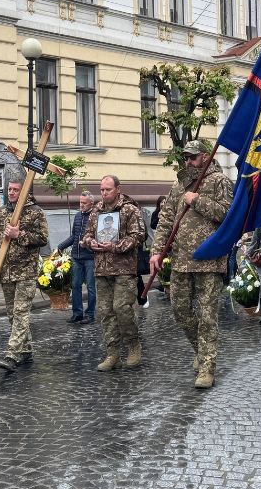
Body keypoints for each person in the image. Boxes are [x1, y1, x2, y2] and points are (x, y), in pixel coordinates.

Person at [149, 140, 234, 389]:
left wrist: (196, 200)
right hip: (181, 260)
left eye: (193, 157)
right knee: (180, 311)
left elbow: (227, 215)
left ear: (205, 157)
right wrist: (156, 252)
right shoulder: (179, 182)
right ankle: (202, 349)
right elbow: (165, 219)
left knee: (208, 316)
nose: (188, 161)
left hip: (209, 260)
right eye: (185, 157)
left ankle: (207, 367)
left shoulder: (219, 181)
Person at [80, 175, 145, 372]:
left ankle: (133, 345)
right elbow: (87, 235)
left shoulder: (129, 210)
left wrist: (115, 246)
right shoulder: (96, 211)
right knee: (105, 312)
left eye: (108, 189)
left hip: (123, 269)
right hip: (102, 268)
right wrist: (89, 242)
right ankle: (112, 353)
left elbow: (139, 236)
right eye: (101, 190)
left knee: (122, 308)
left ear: (118, 189)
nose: (104, 193)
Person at [0, 177, 49, 373]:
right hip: (6, 273)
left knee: (21, 313)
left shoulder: (35, 213)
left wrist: (19, 235)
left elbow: (42, 238)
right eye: (9, 189)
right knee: (12, 315)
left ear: (24, 192)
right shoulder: (1, 213)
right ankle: (26, 348)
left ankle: (12, 354)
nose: (11, 192)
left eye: (15, 190)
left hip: (26, 272)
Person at [57, 192, 96, 325]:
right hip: (76, 256)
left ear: (91, 203)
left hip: (90, 257)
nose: (81, 205)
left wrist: (88, 243)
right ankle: (77, 313)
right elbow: (74, 236)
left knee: (90, 286)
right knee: (75, 285)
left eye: (84, 203)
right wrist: (61, 246)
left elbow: (99, 237)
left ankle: (90, 314)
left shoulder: (95, 216)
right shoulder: (78, 216)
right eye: (80, 202)